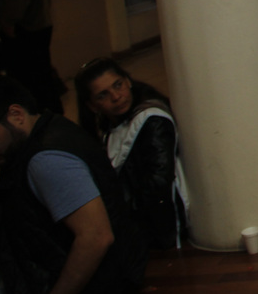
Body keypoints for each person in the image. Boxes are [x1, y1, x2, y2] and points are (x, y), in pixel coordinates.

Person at [0, 75, 147, 294]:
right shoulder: (32, 138)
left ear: (16, 115)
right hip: (40, 274)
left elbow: (96, 238)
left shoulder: (46, 159)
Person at [75, 59, 190, 250]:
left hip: (161, 226)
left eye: (118, 85)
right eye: (103, 95)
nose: (116, 97)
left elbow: (158, 183)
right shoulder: (109, 126)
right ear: (92, 105)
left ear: (128, 81)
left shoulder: (151, 119)